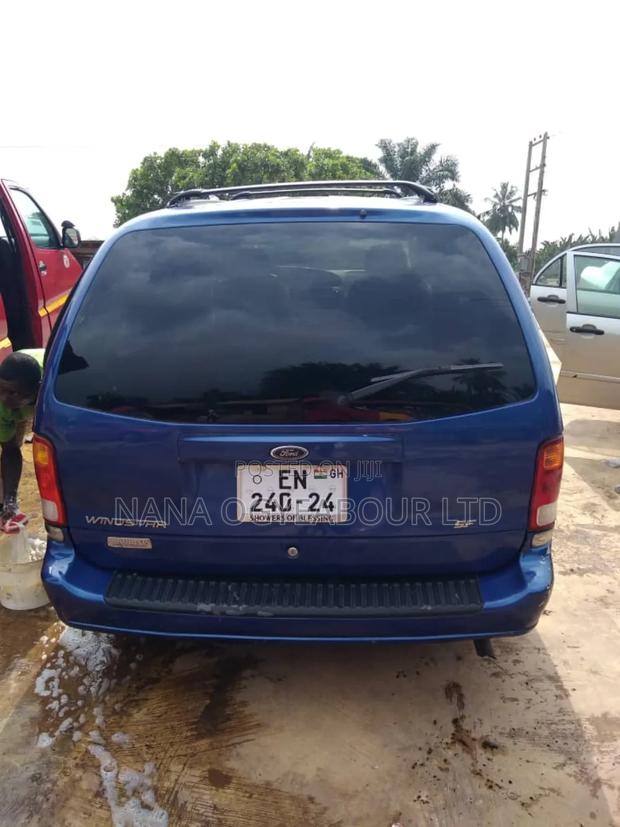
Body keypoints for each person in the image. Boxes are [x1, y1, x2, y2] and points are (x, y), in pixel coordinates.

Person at [0, 348, 45, 532]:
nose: (4, 398)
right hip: (21, 409)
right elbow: (10, 450)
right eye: (1, 389)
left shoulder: (58, 386)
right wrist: (10, 498)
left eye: (12, 393)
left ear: (36, 389)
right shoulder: (2, 405)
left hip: (42, 399)